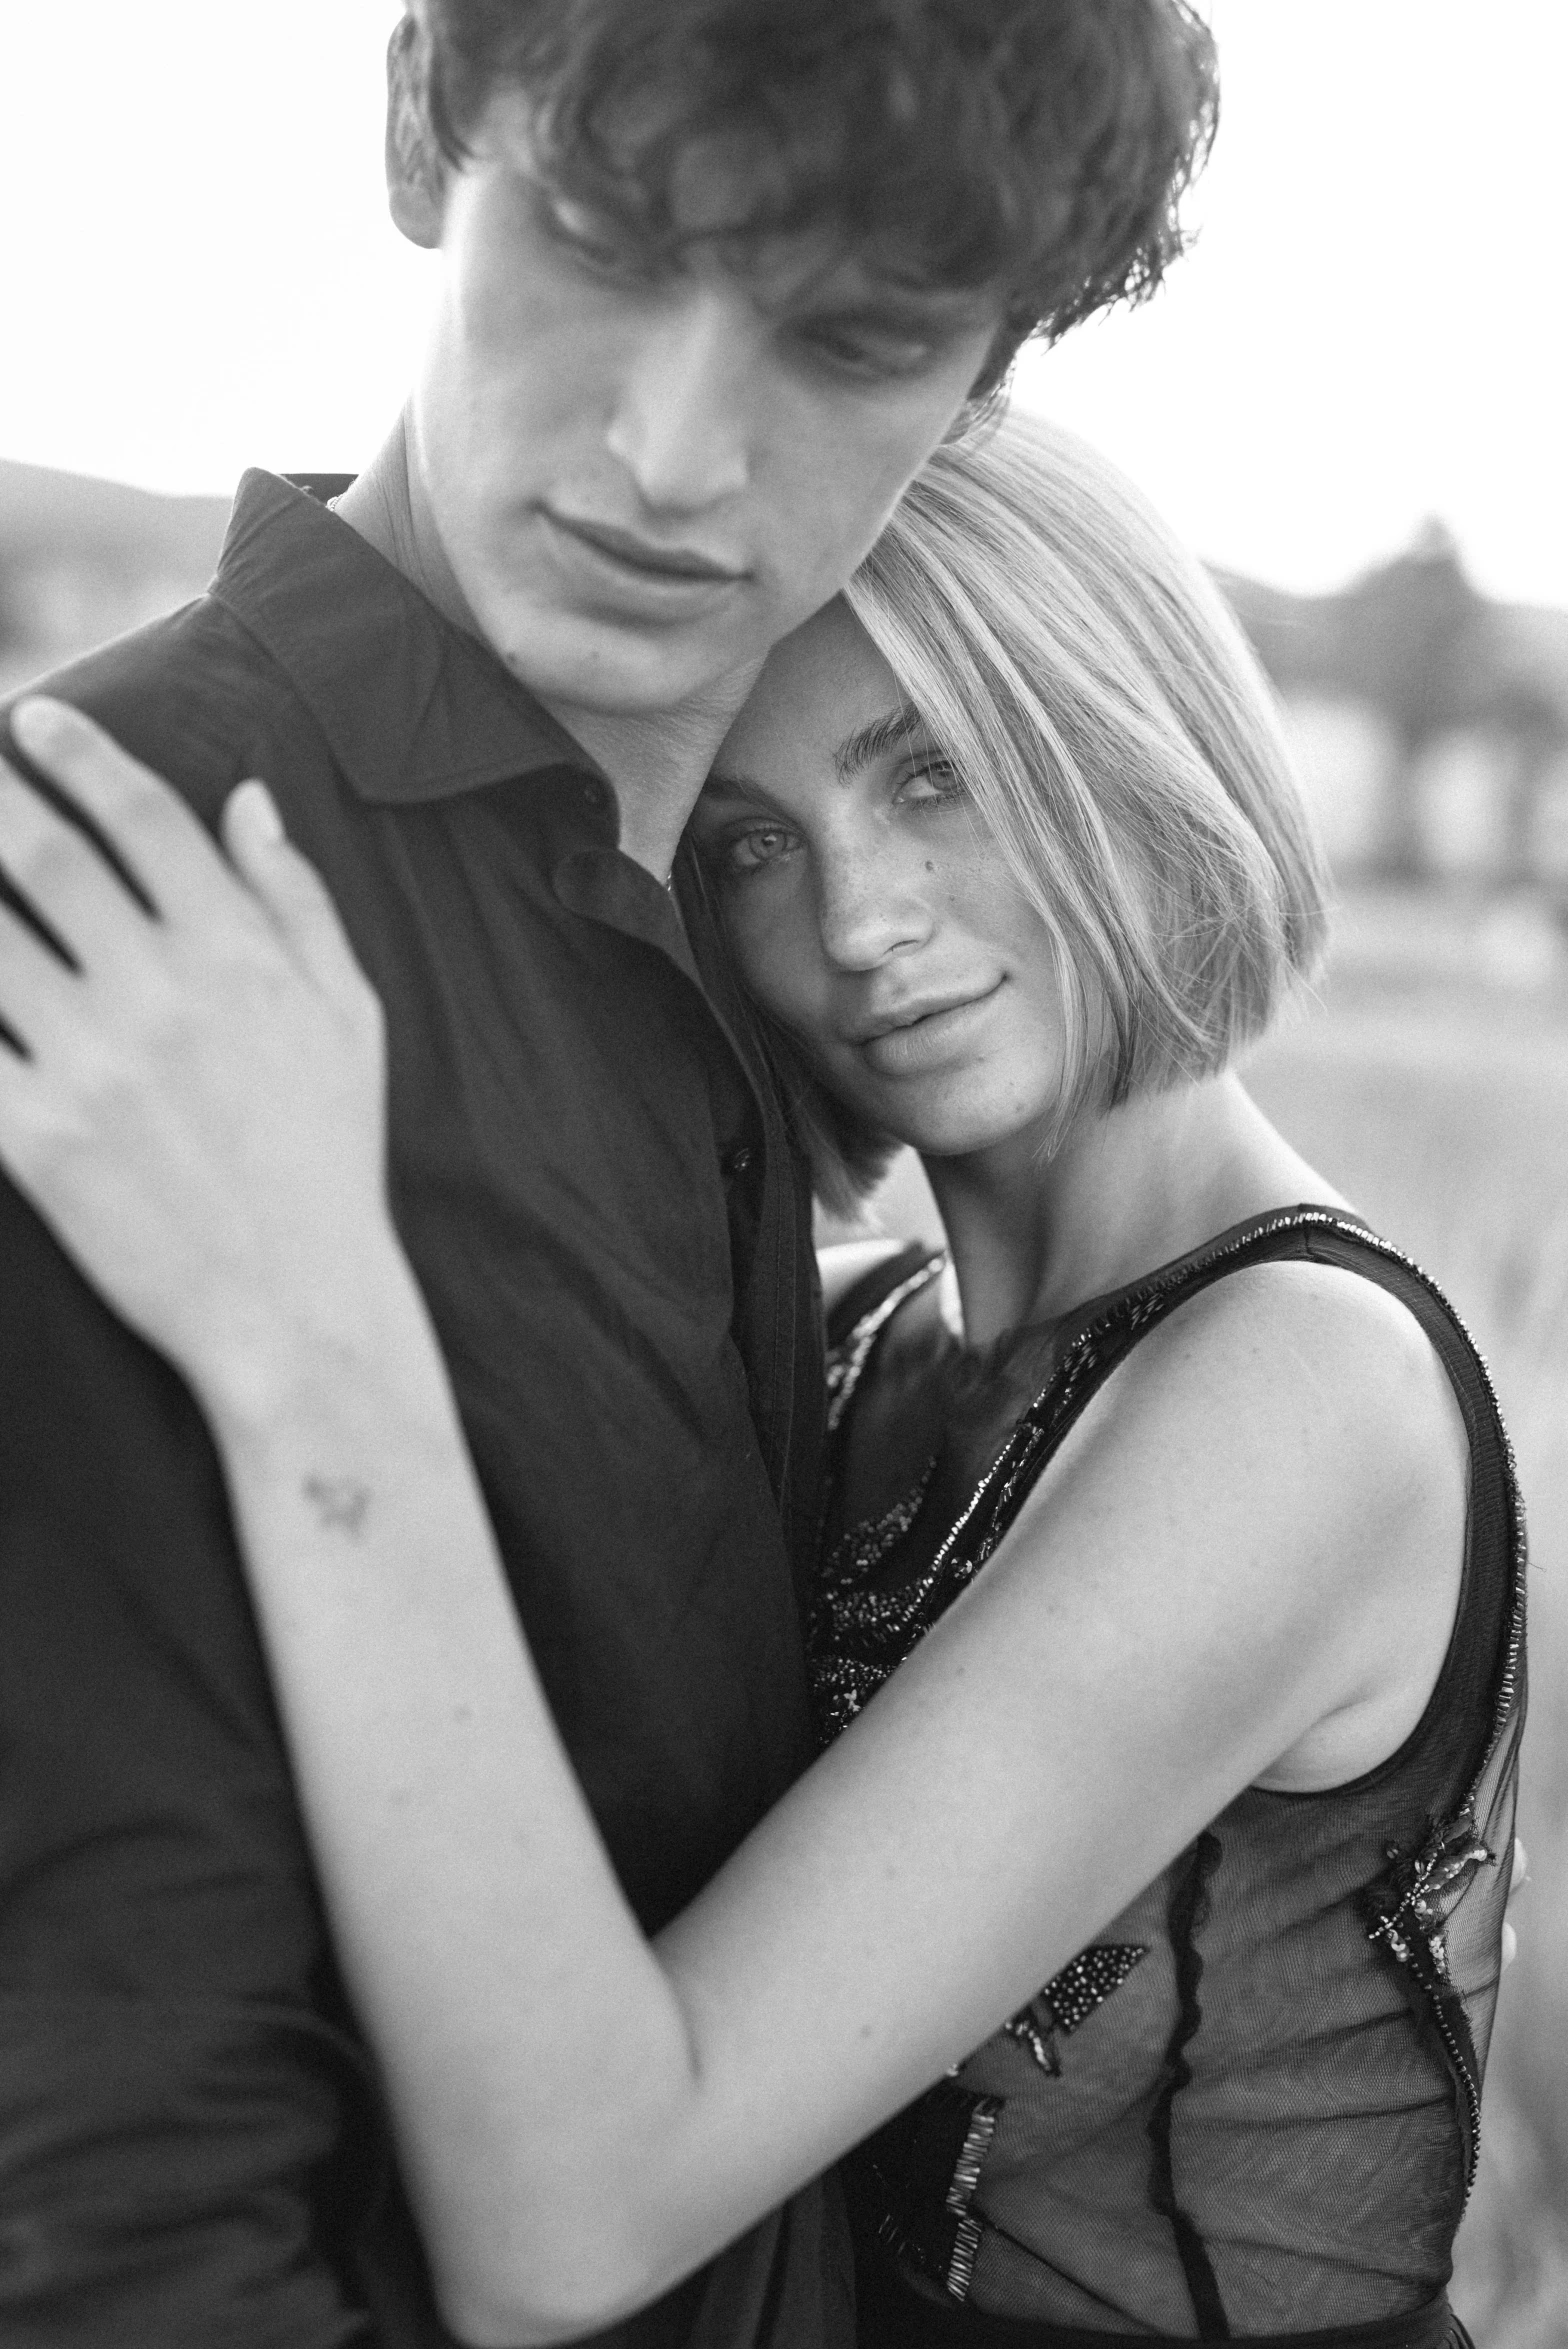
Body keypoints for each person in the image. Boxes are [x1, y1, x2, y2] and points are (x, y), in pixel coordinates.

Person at [0, 413, 1522, 2349]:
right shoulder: (872, 1340)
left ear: (1119, 738)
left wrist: (311, 1329)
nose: (860, 923)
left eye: (936, 778)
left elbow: (568, 2217)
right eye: (754, 845)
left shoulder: (1308, 1395)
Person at [0, 5, 1220, 2344]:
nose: (672, 453)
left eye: (847, 338)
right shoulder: (111, 907)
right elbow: (108, 2207)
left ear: (977, 390)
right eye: (598, 236)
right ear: (419, 137)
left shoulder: (724, 966)